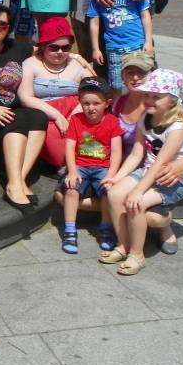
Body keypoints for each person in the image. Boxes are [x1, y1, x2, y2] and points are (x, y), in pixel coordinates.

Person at [102, 70, 183, 275]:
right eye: (147, 95)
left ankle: (137, 254)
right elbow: (137, 153)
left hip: (173, 181)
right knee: (115, 193)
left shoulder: (179, 126)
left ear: (172, 100)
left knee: (136, 202)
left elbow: (161, 162)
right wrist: (117, 177)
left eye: (156, 96)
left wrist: (138, 191)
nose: (149, 100)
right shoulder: (145, 116)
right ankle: (123, 245)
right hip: (148, 170)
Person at [0, 4, 48, 209]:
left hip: (13, 113)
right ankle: (14, 185)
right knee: (18, 119)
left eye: (3, 24)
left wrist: (76, 57)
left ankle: (18, 180)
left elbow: (46, 50)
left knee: (39, 117)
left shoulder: (17, 47)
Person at [18, 17, 95, 170]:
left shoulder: (77, 64)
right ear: (43, 46)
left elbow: (94, 91)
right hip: (44, 113)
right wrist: (57, 115)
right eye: (54, 48)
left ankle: (84, 166)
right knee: (55, 139)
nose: (60, 52)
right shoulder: (30, 64)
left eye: (66, 48)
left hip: (76, 111)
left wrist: (74, 116)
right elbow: (25, 97)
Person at [60, 76, 122, 254]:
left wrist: (111, 175)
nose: (91, 108)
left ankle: (106, 227)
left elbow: (116, 151)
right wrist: (72, 171)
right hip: (80, 165)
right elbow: (69, 147)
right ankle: (70, 230)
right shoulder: (76, 120)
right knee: (71, 189)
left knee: (108, 192)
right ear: (80, 102)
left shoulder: (112, 121)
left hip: (103, 167)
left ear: (107, 103)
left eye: (96, 103)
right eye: (86, 103)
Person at [87, 0, 153, 91]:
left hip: (136, 44)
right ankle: (118, 105)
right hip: (114, 47)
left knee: (139, 81)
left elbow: (145, 15)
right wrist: (95, 48)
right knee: (116, 85)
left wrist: (148, 41)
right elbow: (94, 22)